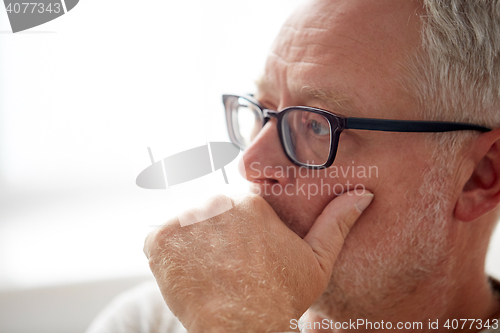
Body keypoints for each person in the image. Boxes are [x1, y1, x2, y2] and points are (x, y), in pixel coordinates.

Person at [87, 0, 500, 332]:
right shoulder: (147, 321)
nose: (251, 163)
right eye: (262, 110)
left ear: (479, 177)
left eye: (318, 125)